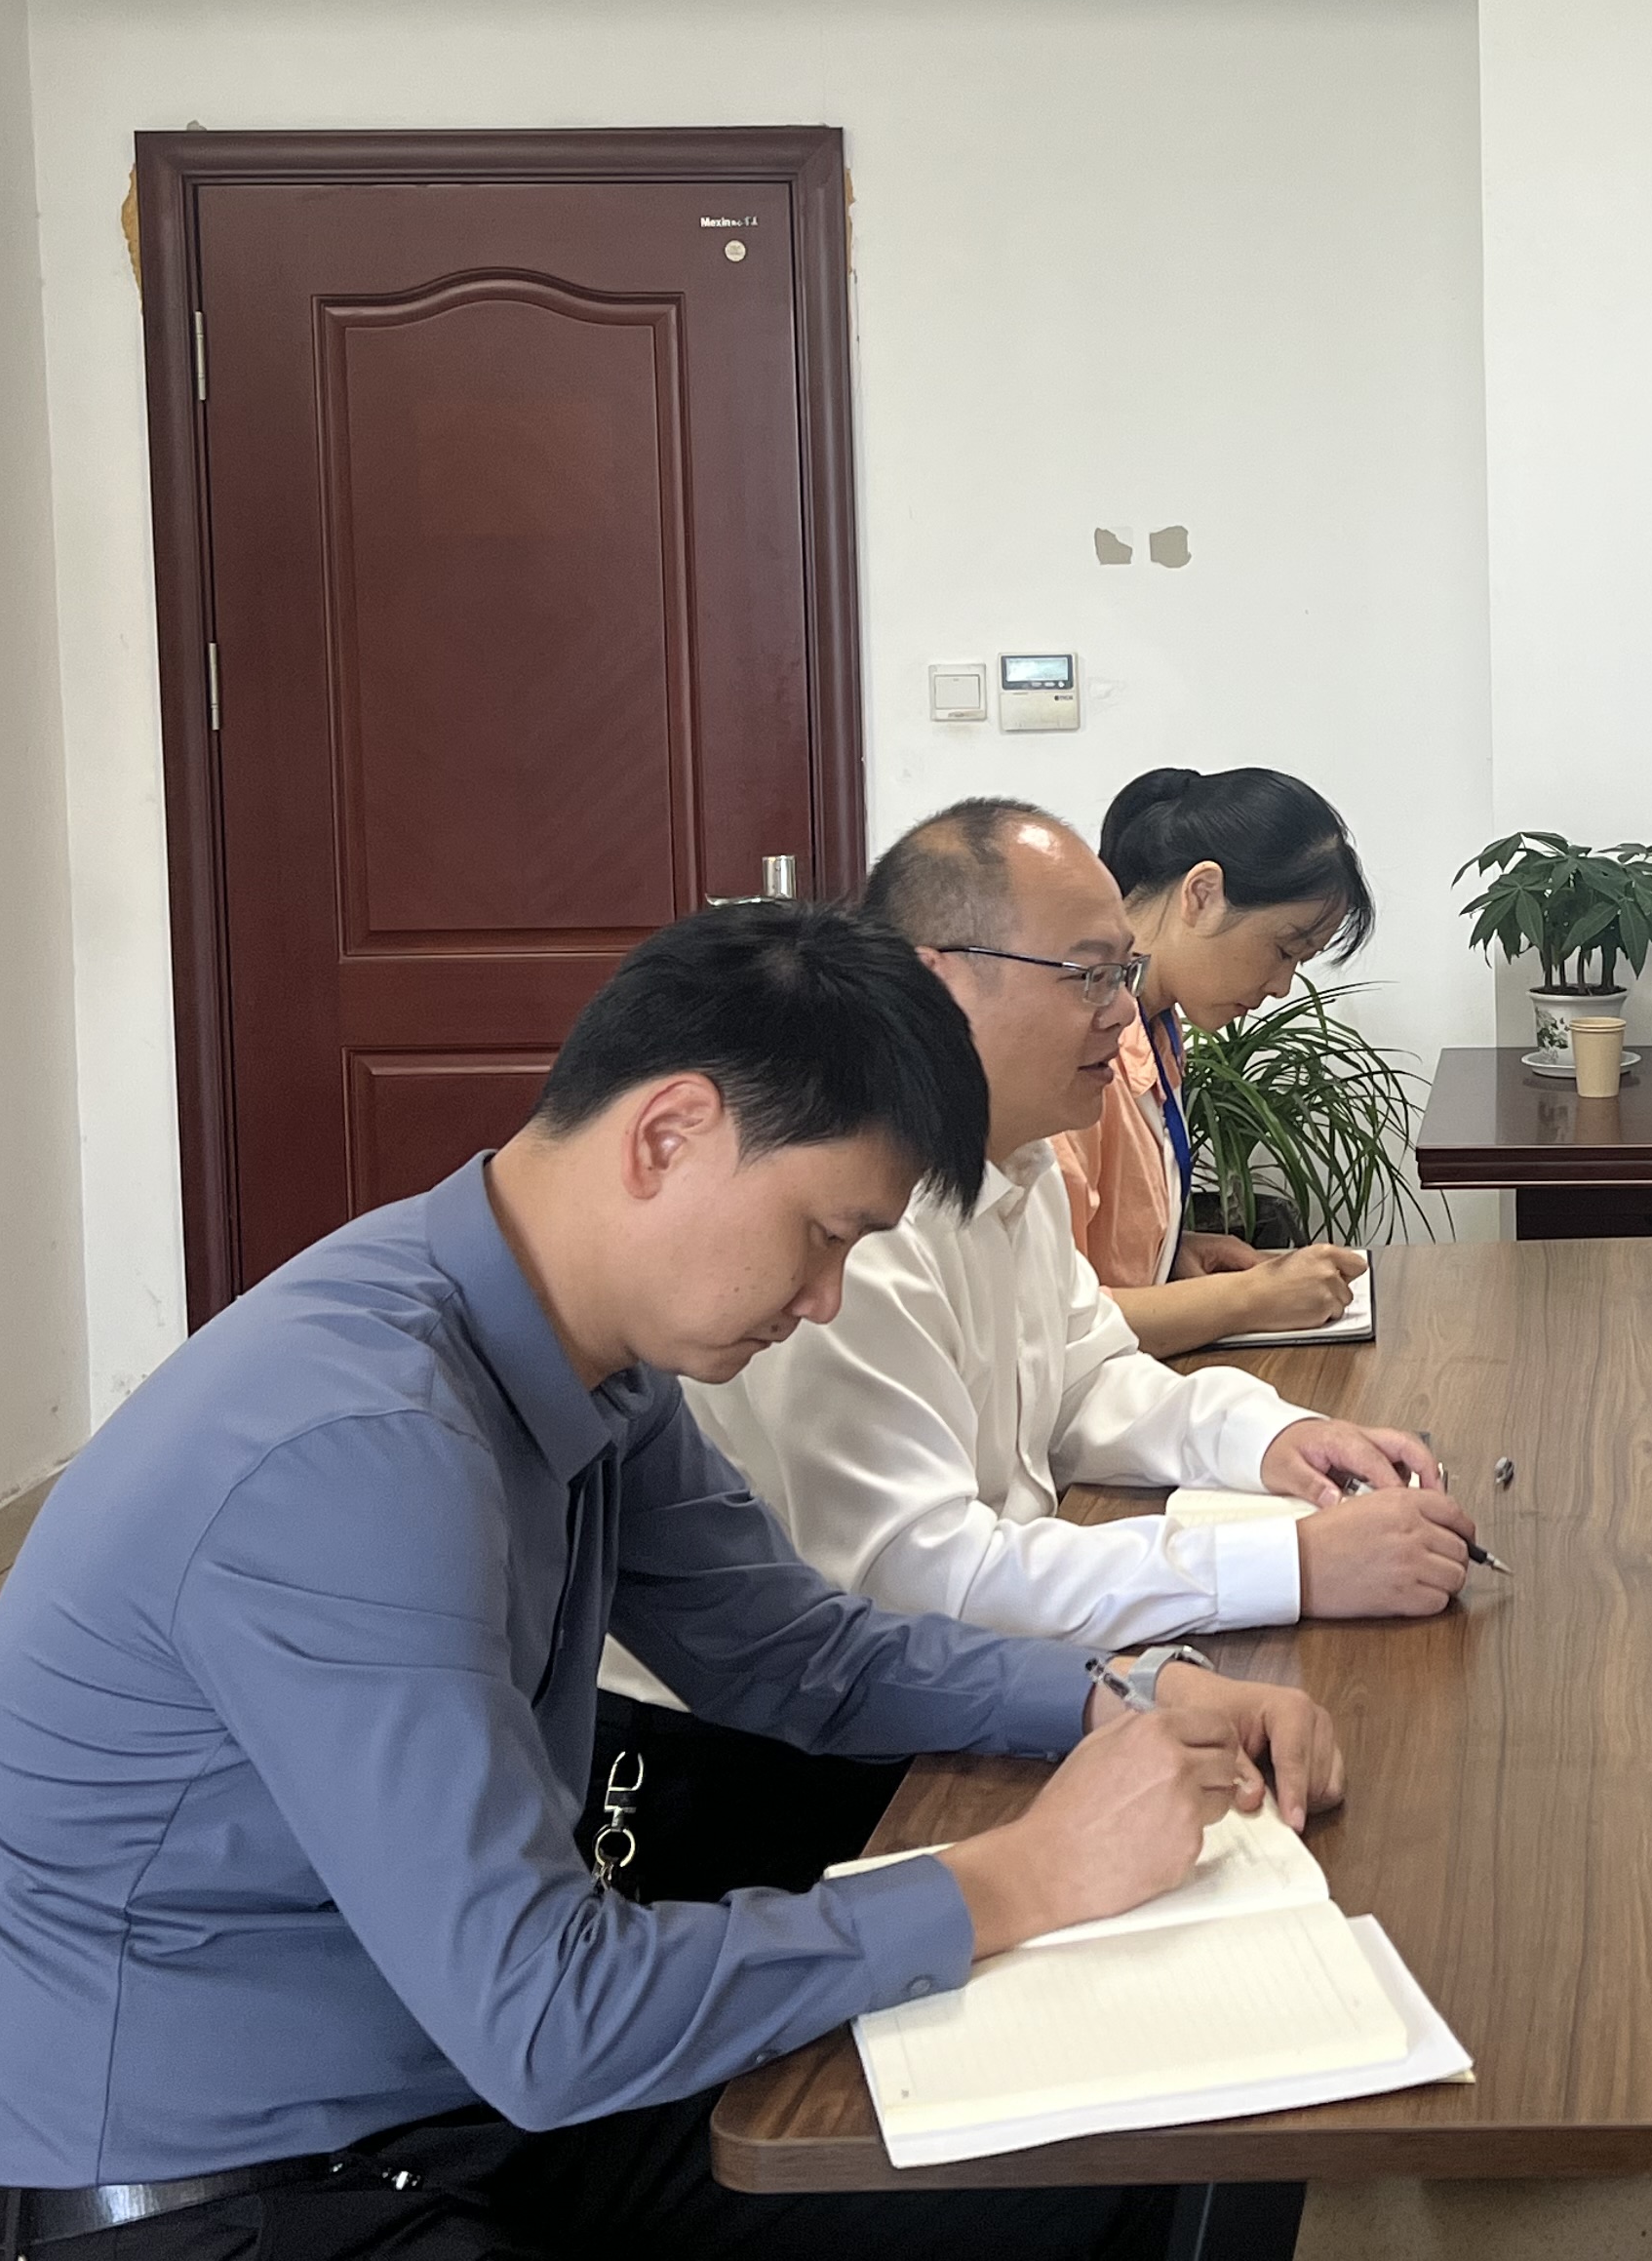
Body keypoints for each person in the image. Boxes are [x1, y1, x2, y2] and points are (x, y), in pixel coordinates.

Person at [0, 900, 1340, 2261]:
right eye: (825, 1234)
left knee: (1125, 2168)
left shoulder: (580, 1355)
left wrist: (1115, 1694)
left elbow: (798, 1653)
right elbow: (549, 2016)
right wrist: (1020, 1876)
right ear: (670, 1133)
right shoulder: (357, 1447)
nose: (826, 1301)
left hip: (456, 2095)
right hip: (235, 2197)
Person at [595, 801, 1471, 1883]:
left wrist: (1278, 1440)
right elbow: (920, 1577)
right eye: (1090, 976)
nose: (1125, 1013)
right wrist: (1289, 1562)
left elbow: (1088, 1378)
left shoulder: (1012, 1158)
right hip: (762, 1761)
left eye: (1124, 975)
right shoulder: (836, 1218)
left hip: (949, 1681)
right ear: (939, 980)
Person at [1056, 764, 1381, 1358]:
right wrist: (1248, 1298)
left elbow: (1087, 1264)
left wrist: (1169, 1254)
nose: (1282, 985)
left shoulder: (1156, 1030)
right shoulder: (1076, 1049)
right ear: (1202, 894)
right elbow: (1053, 1324)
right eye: (1283, 949)